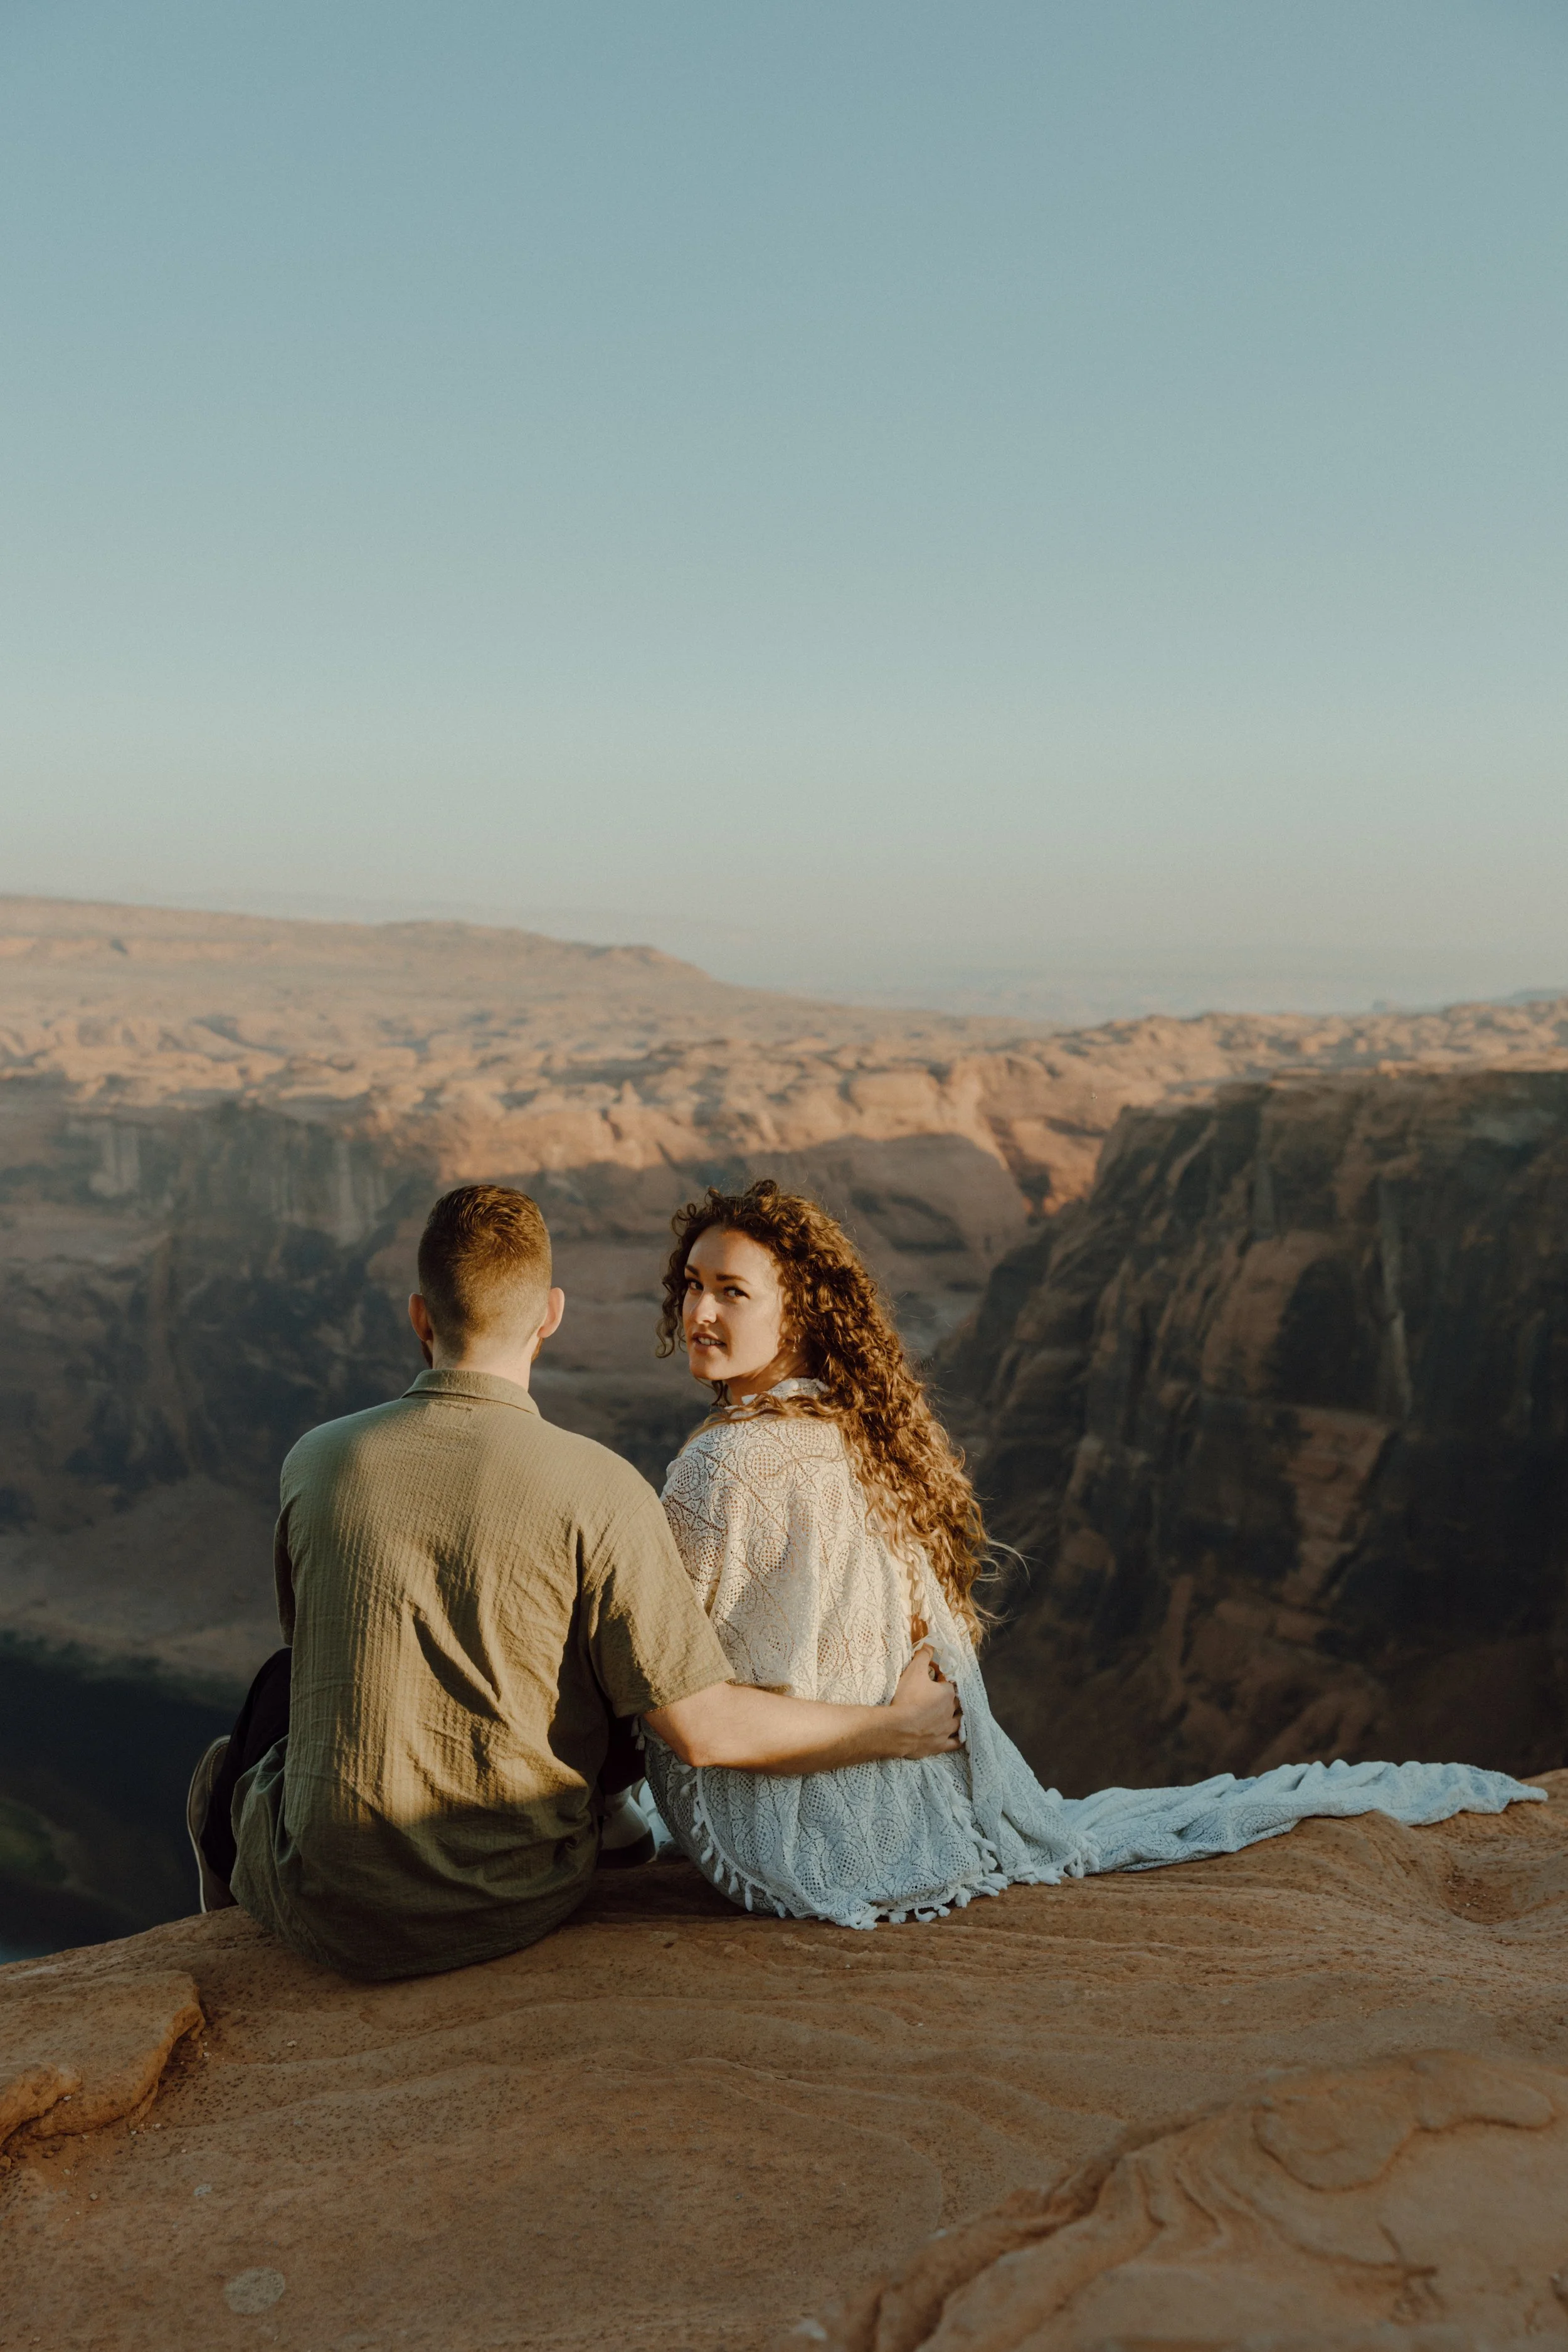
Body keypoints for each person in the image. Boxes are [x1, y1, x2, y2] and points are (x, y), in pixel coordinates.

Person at [640, 1179, 1546, 1929]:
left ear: (800, 1317)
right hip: (901, 1805)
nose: (698, 1311)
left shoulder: (726, 1463)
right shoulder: (862, 1434)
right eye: (690, 1285)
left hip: (774, 1836)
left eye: (731, 1290)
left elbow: (691, 1711)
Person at [186, 1182, 961, 1979]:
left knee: (276, 1691)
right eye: (694, 1287)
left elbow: (317, 1644)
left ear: (421, 1318)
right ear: (550, 1315)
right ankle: (612, 1821)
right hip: (514, 1898)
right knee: (603, 1648)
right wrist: (893, 1730)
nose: (698, 1310)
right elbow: (700, 1728)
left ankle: (232, 1862)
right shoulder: (603, 1486)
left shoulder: (316, 1460)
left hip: (322, 1903)